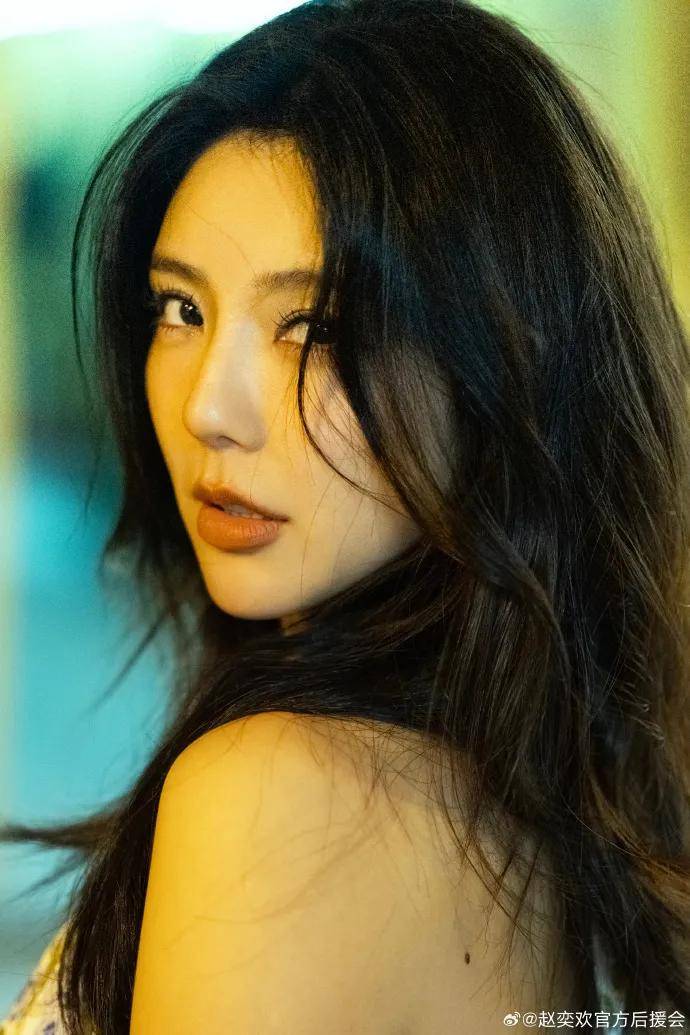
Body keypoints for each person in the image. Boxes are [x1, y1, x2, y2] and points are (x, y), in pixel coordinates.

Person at [2, 0, 689, 1031]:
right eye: (180, 309)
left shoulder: (282, 798)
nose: (208, 408)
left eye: (314, 326)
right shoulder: (566, 805)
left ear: (502, 363)